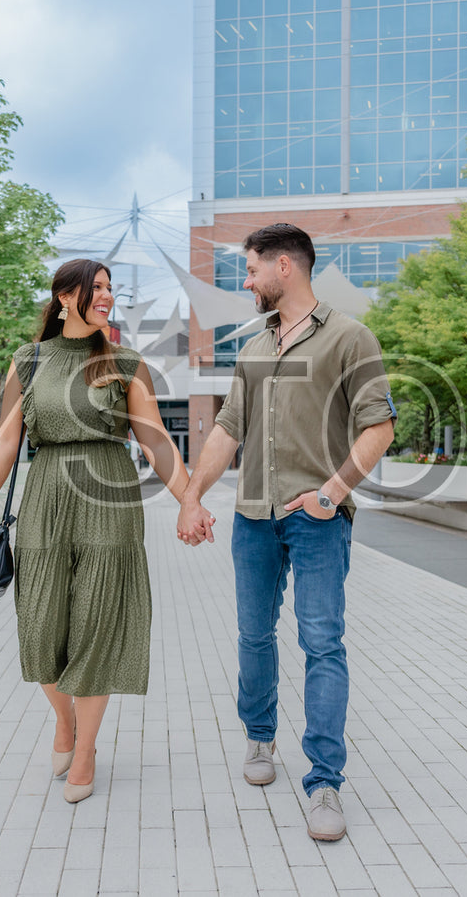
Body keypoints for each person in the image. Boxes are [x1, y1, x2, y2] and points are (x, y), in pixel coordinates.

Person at [176, 223, 396, 842]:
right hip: (252, 518)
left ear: (284, 267)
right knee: (253, 636)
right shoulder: (253, 350)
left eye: (250, 271)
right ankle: (260, 738)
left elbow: (378, 426)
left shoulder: (351, 338)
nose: (245, 282)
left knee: (322, 643)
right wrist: (192, 497)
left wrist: (332, 493)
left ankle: (324, 780)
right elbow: (224, 431)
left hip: (318, 519)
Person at [0, 259, 208, 805]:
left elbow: (156, 442)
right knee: (42, 625)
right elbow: (5, 440)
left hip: (110, 499)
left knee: (97, 626)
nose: (107, 296)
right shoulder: (29, 361)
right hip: (46, 497)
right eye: (96, 288)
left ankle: (88, 748)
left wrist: (189, 501)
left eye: (110, 288)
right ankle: (65, 721)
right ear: (65, 296)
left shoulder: (124, 362)